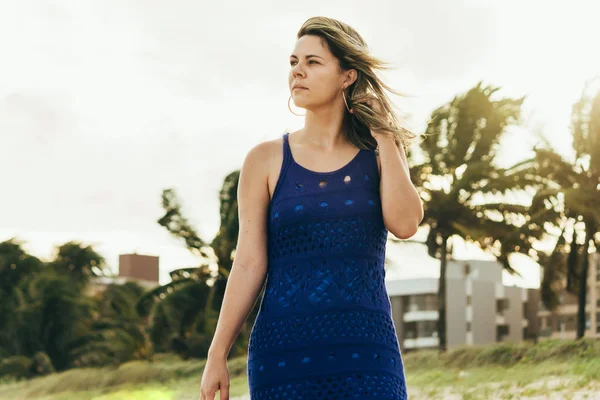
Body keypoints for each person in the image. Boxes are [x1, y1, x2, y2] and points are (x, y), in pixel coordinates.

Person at [199, 16, 423, 400]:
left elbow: (405, 224)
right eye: (293, 62)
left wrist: (385, 135)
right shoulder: (265, 159)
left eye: (312, 62)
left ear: (347, 76)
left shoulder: (380, 153)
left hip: (367, 351)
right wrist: (217, 352)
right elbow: (250, 262)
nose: (297, 72)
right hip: (284, 354)